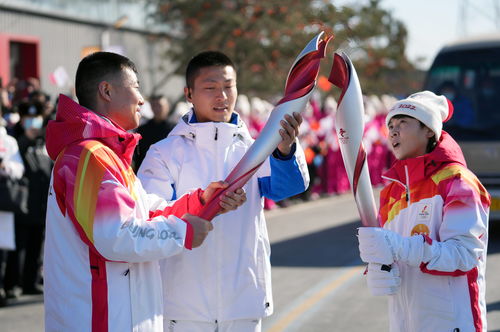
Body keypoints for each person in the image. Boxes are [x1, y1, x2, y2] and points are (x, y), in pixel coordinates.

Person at [43, 52, 247, 332]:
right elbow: (115, 236)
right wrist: (183, 232)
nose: (142, 99)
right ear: (106, 90)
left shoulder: (105, 155)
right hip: (99, 320)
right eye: (136, 87)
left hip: (118, 316)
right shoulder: (88, 156)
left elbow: (147, 211)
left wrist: (201, 201)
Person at [138, 51, 309, 332]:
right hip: (183, 303)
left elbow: (287, 188)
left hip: (242, 299)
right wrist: (204, 203)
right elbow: (151, 210)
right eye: (210, 88)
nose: (222, 96)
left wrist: (284, 150)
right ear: (189, 93)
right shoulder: (165, 153)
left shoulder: (255, 149)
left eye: (228, 86)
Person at [357, 91, 490, 332]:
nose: (393, 131)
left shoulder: (457, 182)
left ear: (429, 130)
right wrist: (379, 267)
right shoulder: (391, 193)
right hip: (404, 322)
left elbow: (464, 255)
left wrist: (399, 247)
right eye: (391, 125)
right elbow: (392, 251)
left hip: (452, 323)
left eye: (403, 123)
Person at [4, 101, 52, 297]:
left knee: (36, 247)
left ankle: (30, 282)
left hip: (41, 205)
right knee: (19, 248)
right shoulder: (17, 143)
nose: (33, 123)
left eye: (37, 118)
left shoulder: (43, 144)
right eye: (29, 119)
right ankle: (13, 284)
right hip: (23, 204)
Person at [0, 110, 25, 306]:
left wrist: (5, 167)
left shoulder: (7, 141)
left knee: (2, 248)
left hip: (3, 199)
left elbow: (18, 167)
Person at [134, 94, 176, 170]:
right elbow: (138, 155)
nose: (157, 109)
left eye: (159, 106)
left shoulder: (175, 129)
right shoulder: (143, 130)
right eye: (154, 105)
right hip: (146, 170)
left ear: (167, 107)